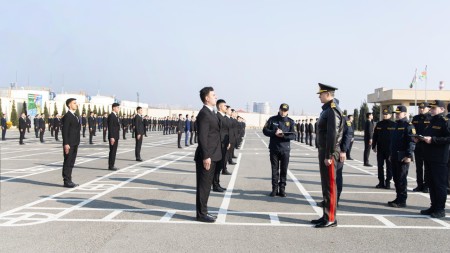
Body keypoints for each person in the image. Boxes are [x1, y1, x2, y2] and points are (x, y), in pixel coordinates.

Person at [311, 83, 343, 228]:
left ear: (328, 94)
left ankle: (331, 218)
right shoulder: (327, 110)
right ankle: (325, 215)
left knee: (330, 185)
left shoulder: (332, 110)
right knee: (325, 185)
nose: (319, 96)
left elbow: (333, 134)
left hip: (329, 152)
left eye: (321, 94)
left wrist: (329, 154)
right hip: (324, 150)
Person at [417, 100, 450, 218]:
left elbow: (448, 138)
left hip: (440, 158)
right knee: (431, 183)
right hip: (429, 156)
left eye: (434, 108)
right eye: (431, 108)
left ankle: (440, 209)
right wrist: (420, 139)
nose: (431, 109)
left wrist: (433, 140)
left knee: (439, 184)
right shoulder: (431, 121)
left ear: (442, 109)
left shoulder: (445, 122)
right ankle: (433, 206)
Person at [194, 87, 221, 223]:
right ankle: (201, 214)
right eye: (213, 95)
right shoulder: (204, 113)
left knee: (207, 186)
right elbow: (202, 137)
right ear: (207, 98)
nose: (215, 97)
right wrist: (206, 156)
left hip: (213, 154)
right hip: (207, 156)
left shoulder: (211, 112)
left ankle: (204, 211)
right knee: (203, 186)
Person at [262, 103, 296, 197]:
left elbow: (293, 135)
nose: (283, 112)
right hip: (274, 148)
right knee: (274, 169)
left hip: (285, 149)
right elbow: (265, 130)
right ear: (279, 109)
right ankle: (274, 189)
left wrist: (283, 135)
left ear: (287, 111)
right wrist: (274, 133)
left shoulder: (291, 122)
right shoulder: (272, 119)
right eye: (282, 110)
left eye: (285, 111)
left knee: (284, 170)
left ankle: (282, 189)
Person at [387, 105, 415, 208]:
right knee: (396, 178)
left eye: (399, 113)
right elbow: (393, 142)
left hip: (403, 157)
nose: (397, 115)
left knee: (402, 179)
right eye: (396, 113)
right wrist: (391, 154)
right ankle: (398, 197)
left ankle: (402, 200)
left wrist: (409, 155)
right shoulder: (396, 125)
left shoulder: (408, 126)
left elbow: (411, 142)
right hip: (395, 156)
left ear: (405, 114)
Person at [372, 109, 395, 189]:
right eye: (384, 114)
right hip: (380, 149)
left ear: (390, 115)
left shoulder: (394, 124)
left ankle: (388, 182)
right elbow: (375, 136)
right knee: (380, 166)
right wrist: (373, 146)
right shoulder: (379, 124)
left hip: (390, 149)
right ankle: (381, 182)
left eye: (386, 114)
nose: (385, 115)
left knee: (389, 166)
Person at [411, 102, 432, 193]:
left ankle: (426, 186)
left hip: (427, 146)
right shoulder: (415, 118)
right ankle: (419, 185)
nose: (421, 109)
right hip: (418, 145)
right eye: (420, 108)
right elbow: (412, 130)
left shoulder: (431, 118)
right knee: (418, 167)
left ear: (428, 108)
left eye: (423, 108)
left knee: (427, 167)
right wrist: (413, 138)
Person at [61, 98, 81, 188]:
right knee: (68, 161)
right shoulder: (67, 116)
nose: (76, 104)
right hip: (69, 143)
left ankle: (69, 179)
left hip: (75, 142)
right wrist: (66, 143)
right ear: (69, 105)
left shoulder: (75, 115)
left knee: (72, 162)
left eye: (76, 103)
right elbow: (65, 131)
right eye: (74, 103)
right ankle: (66, 181)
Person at [213, 99, 231, 192]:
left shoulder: (223, 117)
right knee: (217, 166)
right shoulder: (217, 117)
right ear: (220, 107)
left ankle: (217, 183)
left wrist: (228, 142)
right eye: (224, 106)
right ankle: (215, 185)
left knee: (220, 165)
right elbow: (219, 132)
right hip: (219, 144)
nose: (226, 107)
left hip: (224, 144)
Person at [108, 103, 121, 171]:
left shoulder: (116, 116)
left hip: (116, 136)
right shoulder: (111, 116)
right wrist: (112, 137)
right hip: (113, 137)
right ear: (113, 108)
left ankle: (112, 164)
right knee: (112, 151)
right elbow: (110, 127)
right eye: (117, 107)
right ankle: (111, 165)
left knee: (114, 151)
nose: (118, 109)